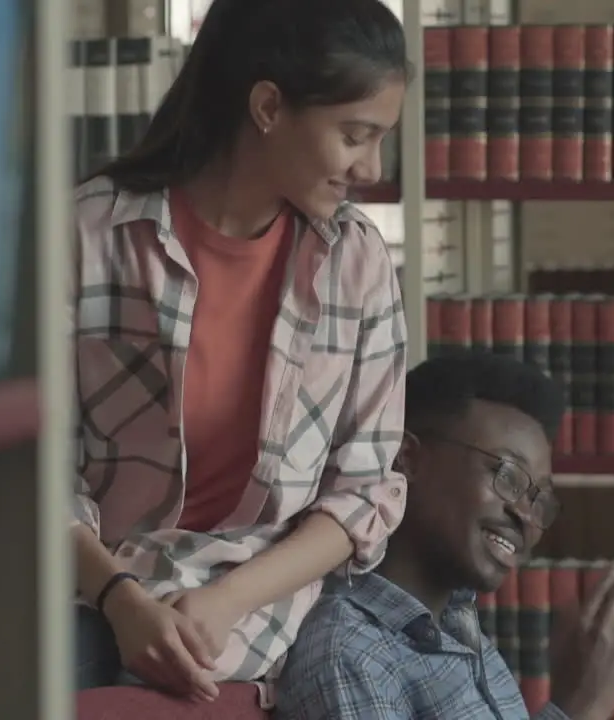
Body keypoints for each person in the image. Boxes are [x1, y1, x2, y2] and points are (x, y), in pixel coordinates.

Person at [69, 0, 410, 705]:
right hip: (91, 592)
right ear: (266, 107)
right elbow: (34, 470)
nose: (372, 167)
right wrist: (122, 600)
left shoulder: (358, 263)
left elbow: (364, 493)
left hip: (267, 601)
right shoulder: (89, 237)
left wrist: (223, 603)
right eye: (354, 135)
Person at [274, 352, 614, 720]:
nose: (525, 516)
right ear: (407, 458)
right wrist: (579, 709)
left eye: (538, 498)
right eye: (507, 476)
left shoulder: (462, 636)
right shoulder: (351, 655)